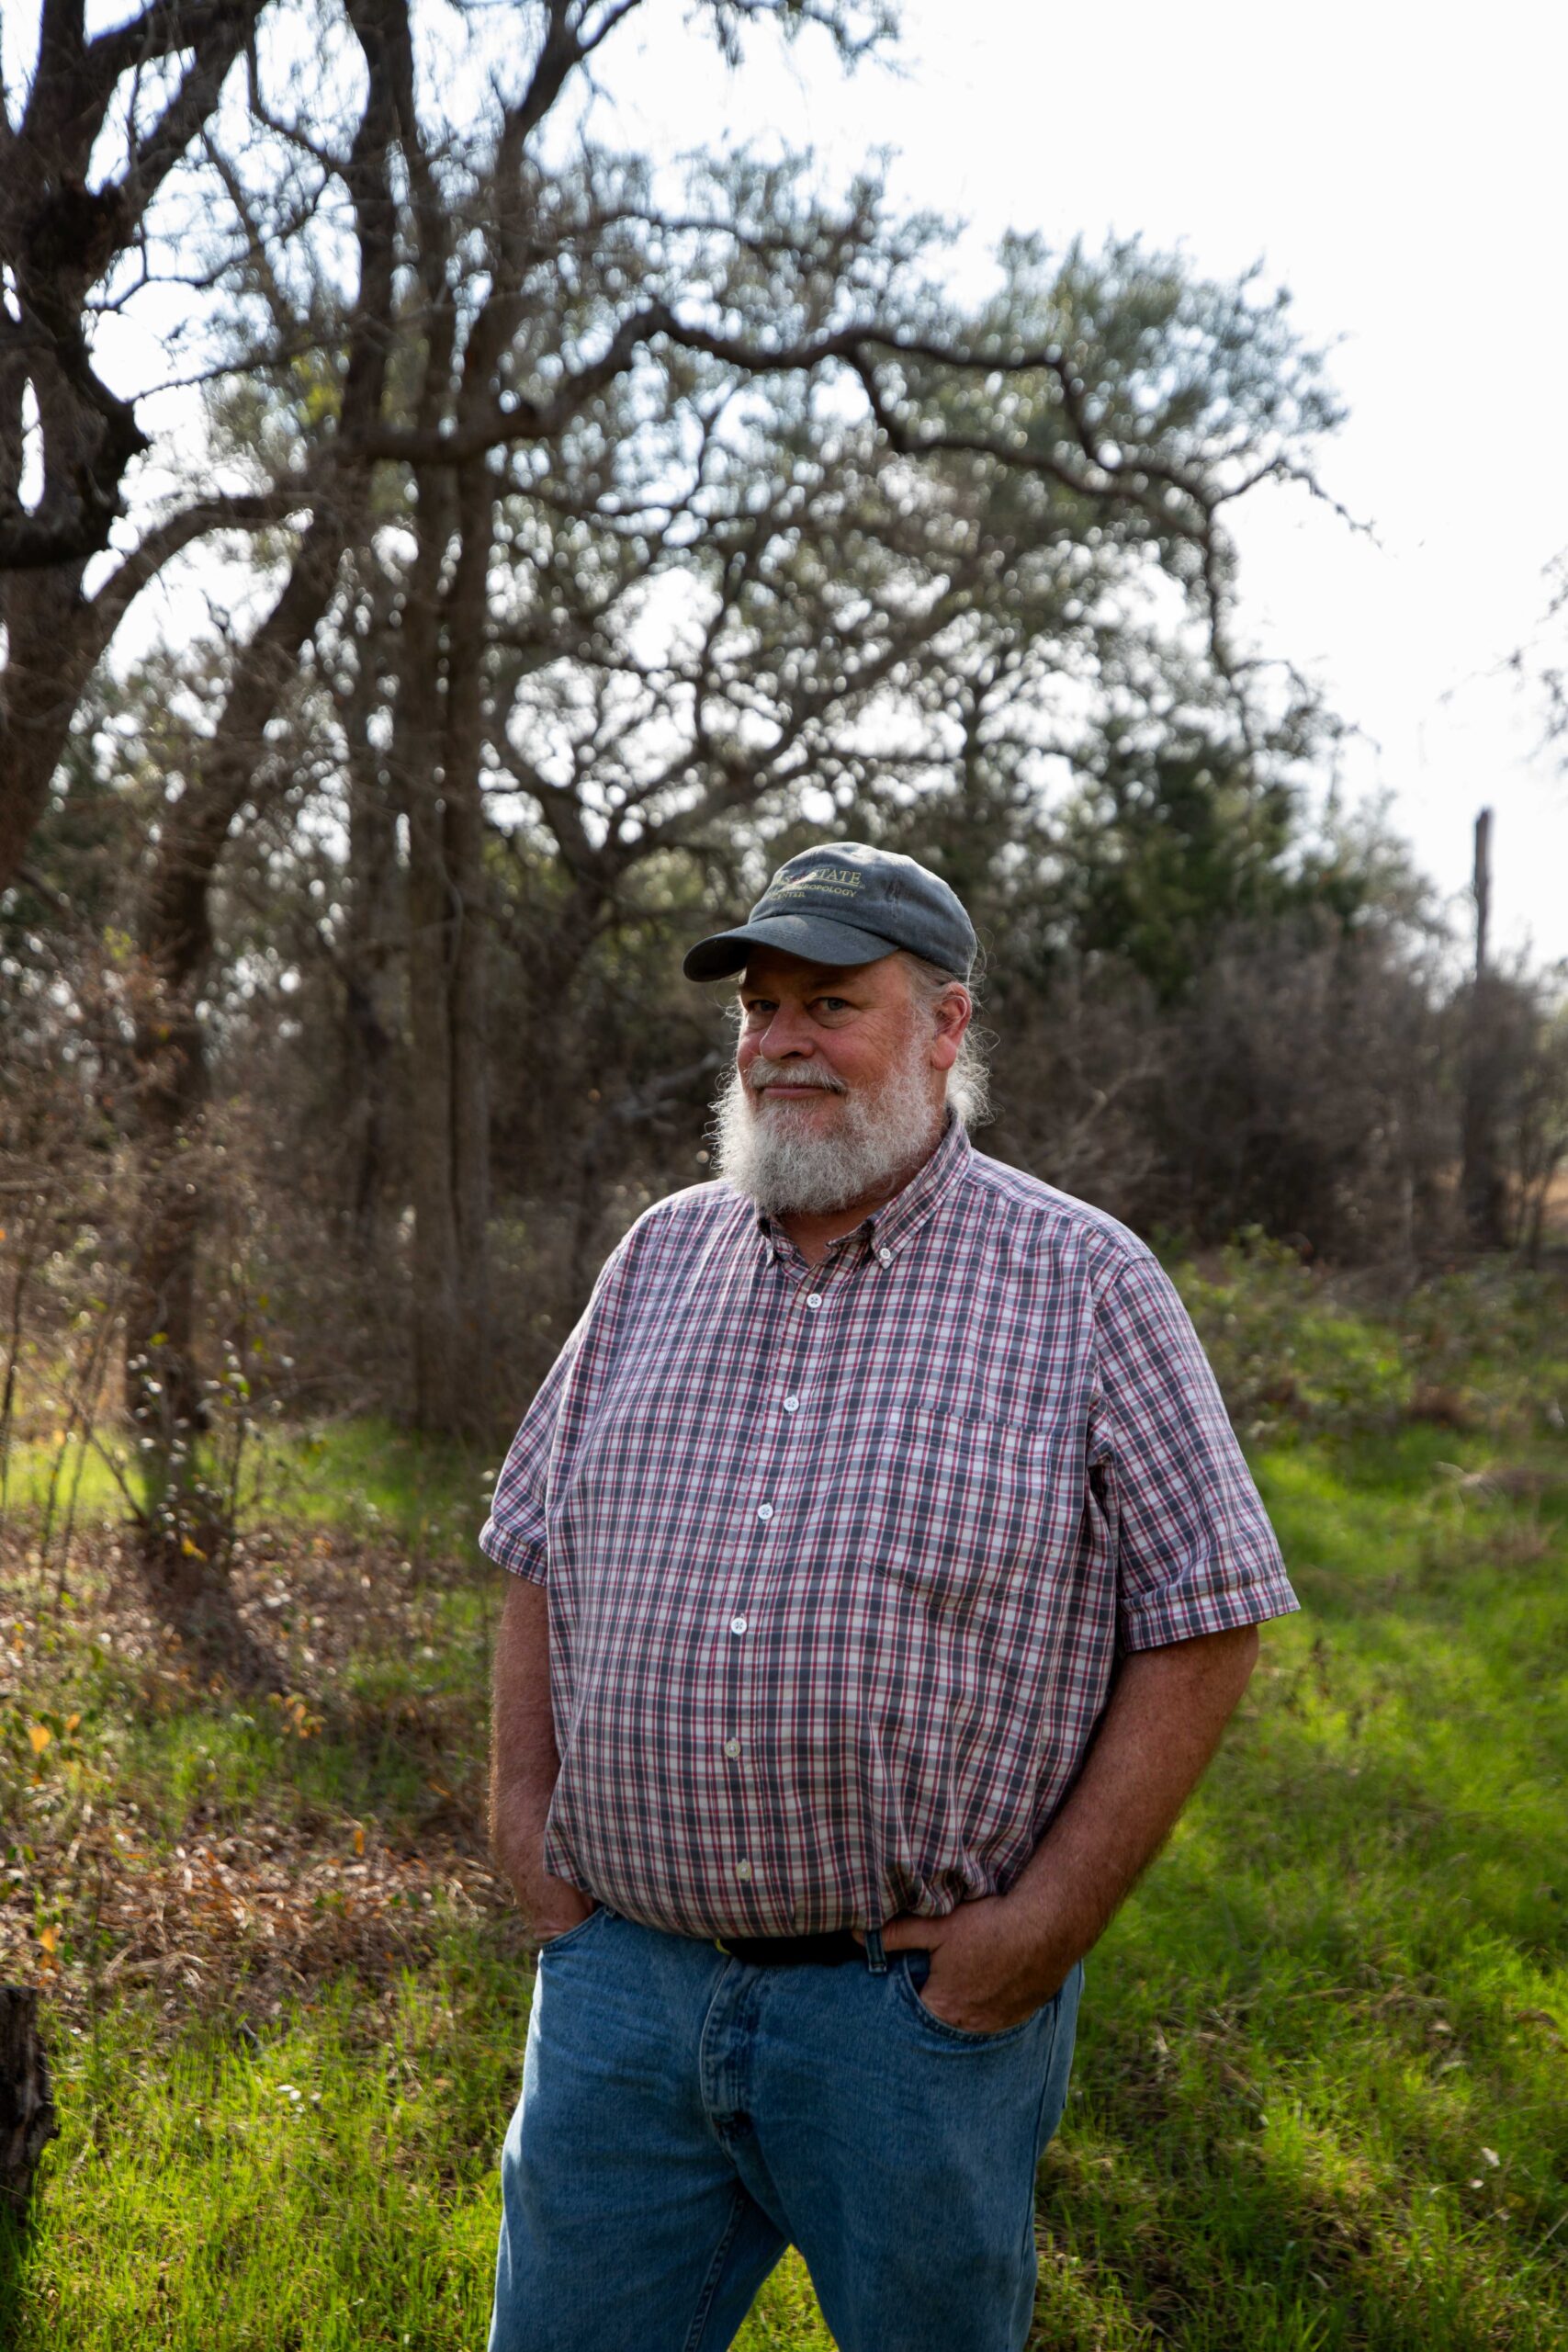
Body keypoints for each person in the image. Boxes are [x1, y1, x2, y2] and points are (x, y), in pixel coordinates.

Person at [480, 842, 1298, 2352]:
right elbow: (532, 1539)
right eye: (762, 1008)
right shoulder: (659, 1258)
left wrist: (1043, 1927)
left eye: (831, 1004)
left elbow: (1209, 1613)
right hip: (620, 1998)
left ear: (944, 1025)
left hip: (903, 2024)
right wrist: (524, 1829)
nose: (781, 1040)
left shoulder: (1082, 1281)